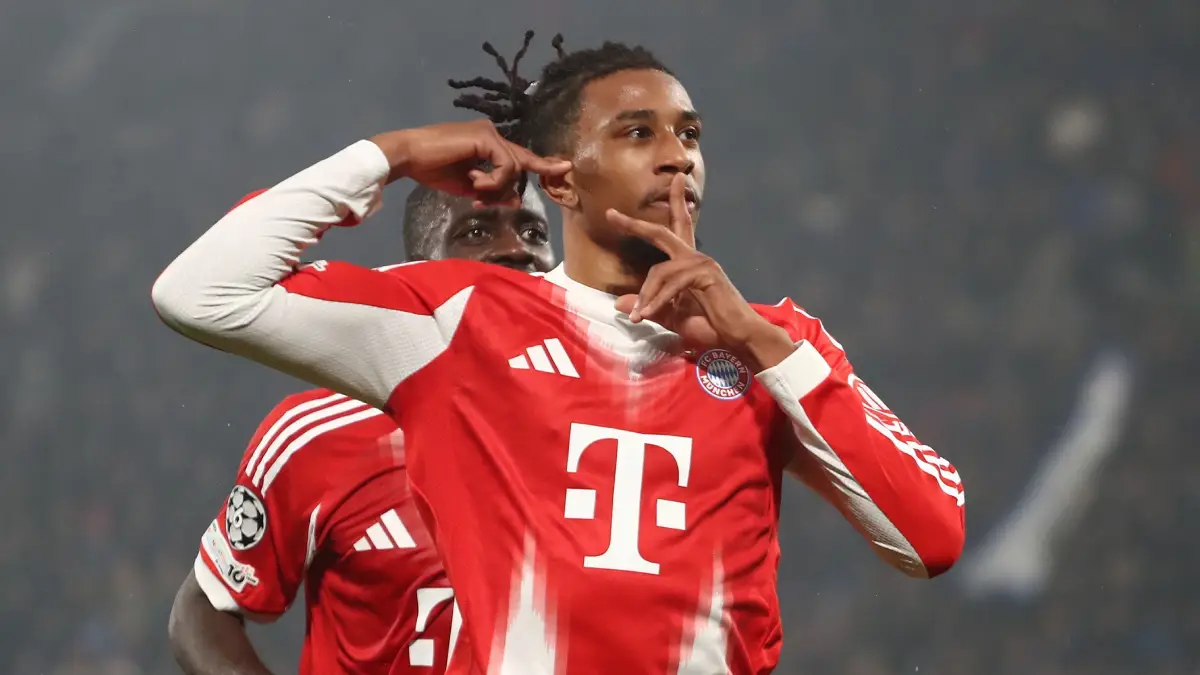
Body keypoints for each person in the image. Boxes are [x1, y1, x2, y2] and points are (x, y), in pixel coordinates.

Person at [152, 34, 966, 675]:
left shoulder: (779, 344)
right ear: (565, 183)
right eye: (638, 132)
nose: (677, 155)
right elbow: (200, 291)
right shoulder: (466, 322)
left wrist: (758, 342)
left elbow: (931, 537)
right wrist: (393, 153)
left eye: (689, 134)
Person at [166, 178, 555, 675]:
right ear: (420, 269)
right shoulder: (320, 433)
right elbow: (202, 610)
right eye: (477, 231)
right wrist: (390, 154)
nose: (517, 249)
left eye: (534, 232)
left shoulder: (609, 428)